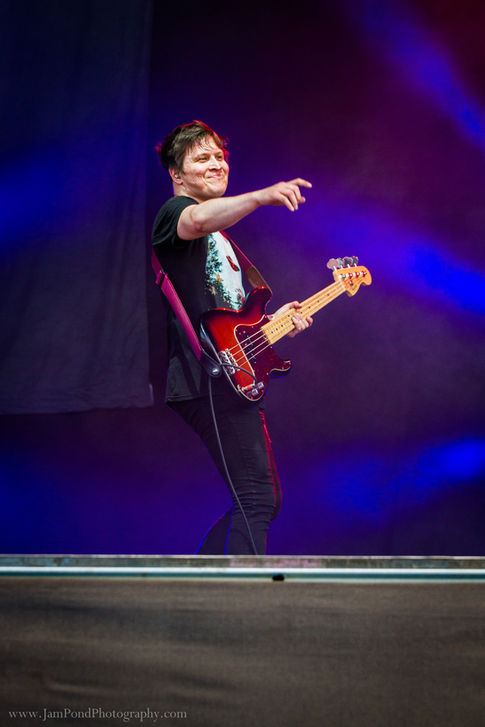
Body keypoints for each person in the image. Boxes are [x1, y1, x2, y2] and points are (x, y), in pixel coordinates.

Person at [152, 120, 312, 555]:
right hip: (205, 378)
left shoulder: (223, 241)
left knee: (262, 499)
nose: (216, 164)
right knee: (258, 498)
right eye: (202, 158)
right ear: (176, 174)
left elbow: (231, 322)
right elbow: (196, 218)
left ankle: (200, 574)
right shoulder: (175, 214)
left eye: (220, 156)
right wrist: (261, 197)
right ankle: (237, 591)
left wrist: (275, 323)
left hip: (232, 375)